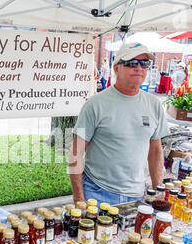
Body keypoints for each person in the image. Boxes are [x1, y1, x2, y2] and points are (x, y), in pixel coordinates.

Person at [69, 43, 168, 205]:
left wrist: (158, 189)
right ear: (116, 69)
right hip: (97, 192)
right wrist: (79, 198)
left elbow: (156, 151)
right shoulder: (95, 104)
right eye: (132, 63)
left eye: (144, 64)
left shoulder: (154, 104)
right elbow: (75, 152)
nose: (139, 68)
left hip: (138, 194)